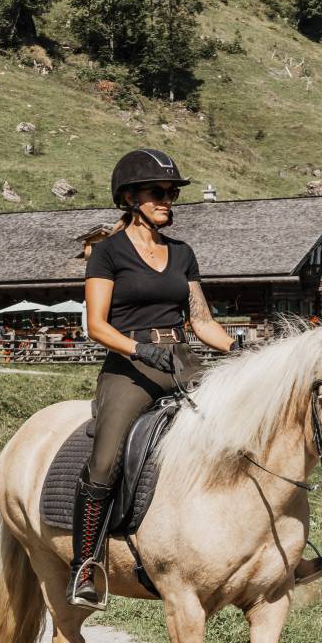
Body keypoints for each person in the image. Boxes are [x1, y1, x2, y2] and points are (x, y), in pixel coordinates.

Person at [69, 148, 235, 609]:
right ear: (129, 198)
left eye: (171, 193)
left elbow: (201, 321)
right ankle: (85, 564)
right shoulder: (107, 253)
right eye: (157, 192)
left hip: (182, 359)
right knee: (105, 461)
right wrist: (140, 349)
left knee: (239, 432)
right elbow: (96, 325)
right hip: (130, 365)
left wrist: (238, 350)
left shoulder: (182, 254)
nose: (167, 200)